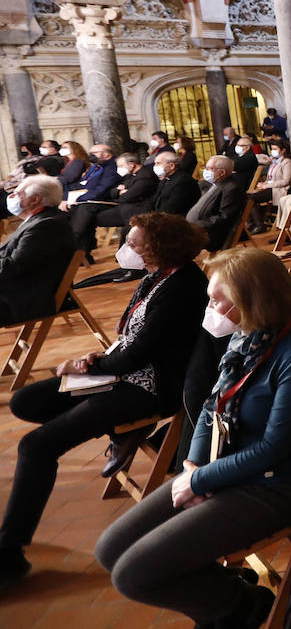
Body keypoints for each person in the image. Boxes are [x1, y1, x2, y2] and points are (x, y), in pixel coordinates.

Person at [95, 247, 291, 627]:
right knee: (110, 550)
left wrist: (200, 479)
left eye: (216, 301)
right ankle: (231, 599)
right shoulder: (250, 333)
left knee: (133, 575)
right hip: (224, 467)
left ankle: (234, 608)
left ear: (251, 299)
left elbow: (275, 449)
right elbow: (212, 404)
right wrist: (194, 465)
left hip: (273, 485)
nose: (208, 310)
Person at [0, 213, 209, 583]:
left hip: (150, 385)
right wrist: (98, 360)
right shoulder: (159, 274)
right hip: (123, 371)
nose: (127, 249)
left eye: (136, 244)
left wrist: (88, 367)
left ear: (162, 247)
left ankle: (9, 551)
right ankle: (117, 430)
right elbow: (132, 339)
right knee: (26, 403)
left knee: (37, 446)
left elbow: (139, 355)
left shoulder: (183, 286)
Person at [0, 177, 76, 325]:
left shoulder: (46, 225)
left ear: (35, 199)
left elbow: (13, 267)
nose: (11, 197)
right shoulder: (39, 220)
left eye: (17, 193)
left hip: (24, 299)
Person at [69, 152, 158, 255]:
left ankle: (76, 241)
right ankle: (82, 251)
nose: (119, 169)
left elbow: (127, 197)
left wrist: (121, 192)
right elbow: (113, 191)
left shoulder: (145, 176)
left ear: (132, 164)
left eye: (121, 166)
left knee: (87, 216)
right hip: (124, 208)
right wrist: (120, 191)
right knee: (87, 215)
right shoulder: (131, 175)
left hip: (135, 210)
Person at [186, 155, 247, 252]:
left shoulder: (231, 189)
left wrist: (197, 225)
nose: (205, 171)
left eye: (209, 168)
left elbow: (224, 217)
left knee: (173, 242)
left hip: (212, 234)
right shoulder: (216, 184)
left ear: (222, 172)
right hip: (198, 229)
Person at [246, 140, 291, 234]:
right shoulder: (274, 162)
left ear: (283, 150)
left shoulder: (287, 162)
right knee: (246, 196)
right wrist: (264, 184)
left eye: (275, 149)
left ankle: (259, 225)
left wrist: (267, 185)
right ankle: (252, 223)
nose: (272, 151)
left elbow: (286, 181)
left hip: (279, 190)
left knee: (251, 198)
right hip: (270, 187)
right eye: (272, 149)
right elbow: (270, 177)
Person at [149, 150, 201, 218]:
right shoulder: (166, 178)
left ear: (172, 166)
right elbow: (156, 200)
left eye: (158, 163)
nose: (155, 166)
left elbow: (173, 208)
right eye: (155, 163)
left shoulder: (183, 181)